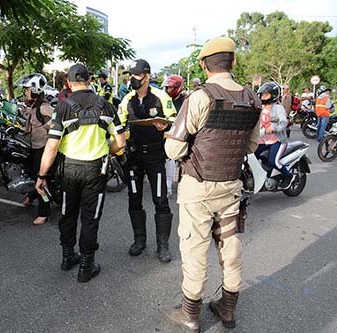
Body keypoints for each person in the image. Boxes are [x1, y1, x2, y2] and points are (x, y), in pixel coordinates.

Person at [165, 37, 262, 332]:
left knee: (195, 250)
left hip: (198, 188)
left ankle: (190, 314)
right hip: (230, 186)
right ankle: (228, 309)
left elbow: (174, 150)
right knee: (230, 247)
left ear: (205, 66)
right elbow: (251, 146)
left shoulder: (199, 97)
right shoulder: (252, 98)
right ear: (232, 62)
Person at [35, 63, 125, 283]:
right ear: (89, 79)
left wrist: (41, 175)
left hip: (69, 170)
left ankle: (68, 257)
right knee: (90, 218)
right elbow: (120, 142)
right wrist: (107, 151)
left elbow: (52, 146)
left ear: (68, 82)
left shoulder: (63, 107)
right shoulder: (107, 106)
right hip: (96, 171)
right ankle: (86, 266)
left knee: (68, 214)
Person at [119, 59, 177, 263]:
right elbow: (119, 125)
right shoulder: (126, 100)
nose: (133, 79)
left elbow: (175, 121)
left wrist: (165, 126)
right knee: (134, 199)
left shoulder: (161, 97)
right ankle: (139, 240)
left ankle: (163, 245)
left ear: (147, 76)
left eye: (137, 75)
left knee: (160, 201)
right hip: (133, 157)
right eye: (131, 75)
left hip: (155, 157)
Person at [16, 73, 54, 225]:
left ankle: (44, 212)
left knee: (41, 179)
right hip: (33, 145)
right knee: (31, 174)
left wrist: (47, 127)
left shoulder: (45, 108)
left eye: (27, 90)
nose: (25, 92)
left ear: (35, 91)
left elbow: (58, 121)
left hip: (43, 149)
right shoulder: (32, 106)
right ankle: (31, 197)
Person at [255, 82, 295, 189]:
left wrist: (273, 129)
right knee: (251, 157)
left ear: (273, 95)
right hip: (262, 141)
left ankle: (288, 176)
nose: (263, 97)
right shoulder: (260, 108)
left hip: (277, 141)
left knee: (273, 161)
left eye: (266, 94)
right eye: (262, 95)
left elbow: (283, 122)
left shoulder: (278, 108)